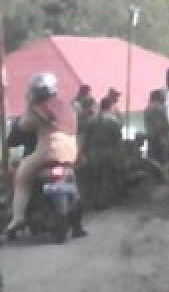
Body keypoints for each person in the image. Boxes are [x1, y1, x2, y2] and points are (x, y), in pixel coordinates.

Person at [6, 73, 84, 238]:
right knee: (73, 184)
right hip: (69, 152)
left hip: (49, 152)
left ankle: (18, 218)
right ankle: (77, 226)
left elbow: (22, 127)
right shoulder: (68, 107)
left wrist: (27, 108)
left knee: (21, 179)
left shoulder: (37, 109)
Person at [84, 96, 126, 210]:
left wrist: (83, 153)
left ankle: (93, 201)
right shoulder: (113, 121)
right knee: (106, 177)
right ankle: (102, 202)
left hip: (93, 152)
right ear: (110, 106)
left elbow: (85, 139)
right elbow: (118, 140)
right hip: (108, 152)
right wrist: (120, 155)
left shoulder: (90, 120)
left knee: (95, 178)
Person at [144, 89, 169, 181]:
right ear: (158, 97)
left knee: (155, 158)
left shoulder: (148, 108)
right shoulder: (157, 108)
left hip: (152, 136)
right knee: (164, 157)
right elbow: (160, 124)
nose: (164, 98)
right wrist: (164, 135)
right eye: (162, 96)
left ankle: (156, 177)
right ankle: (167, 176)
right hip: (160, 136)